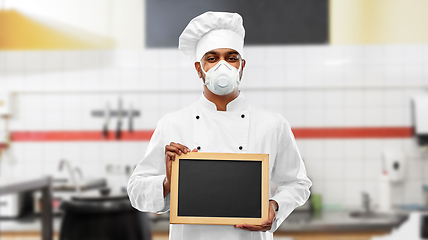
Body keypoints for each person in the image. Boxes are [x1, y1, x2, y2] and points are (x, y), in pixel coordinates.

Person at [127, 11, 312, 240]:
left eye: (231, 58)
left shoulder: (272, 124)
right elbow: (135, 192)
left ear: (242, 66)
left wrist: (275, 206)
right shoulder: (172, 124)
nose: (222, 66)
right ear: (199, 68)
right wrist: (167, 182)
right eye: (212, 58)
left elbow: (298, 183)